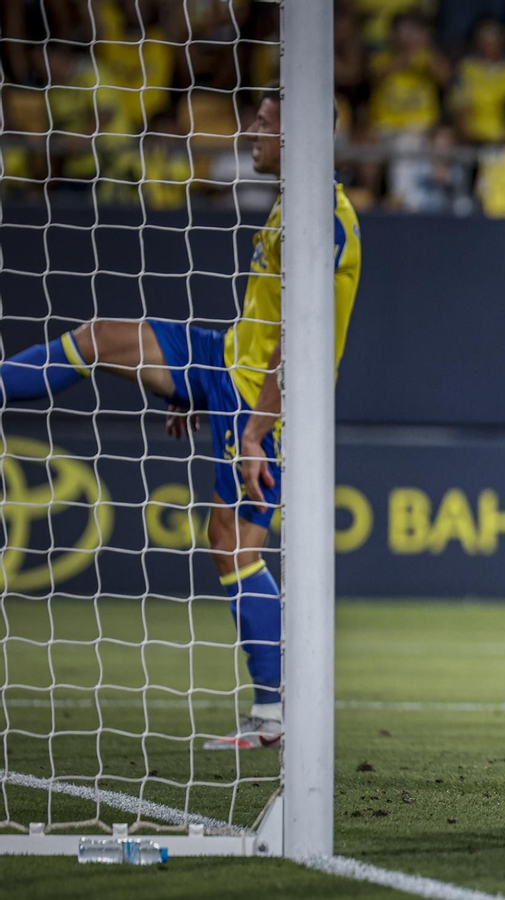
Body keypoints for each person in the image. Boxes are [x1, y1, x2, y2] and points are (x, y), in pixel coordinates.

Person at [0, 90, 363, 751]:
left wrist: (256, 429)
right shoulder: (292, 205)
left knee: (232, 542)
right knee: (99, 338)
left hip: (270, 400)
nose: (250, 129)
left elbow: (298, 334)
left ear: (302, 137)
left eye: (265, 122)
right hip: (223, 363)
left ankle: (272, 716)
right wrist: (191, 389)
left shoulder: (323, 218)